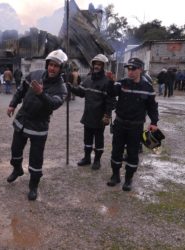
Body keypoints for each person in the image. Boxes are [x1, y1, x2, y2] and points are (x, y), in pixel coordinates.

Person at [6, 49, 68, 201]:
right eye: (50, 64)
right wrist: (13, 104)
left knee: (36, 158)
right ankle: (17, 169)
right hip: (22, 119)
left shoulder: (61, 88)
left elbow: (53, 104)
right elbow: (21, 90)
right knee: (15, 150)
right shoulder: (35, 75)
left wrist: (41, 94)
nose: (52, 68)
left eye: (56, 66)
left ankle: (33, 185)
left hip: (39, 126)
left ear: (61, 69)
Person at [107, 57, 159, 192]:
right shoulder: (121, 83)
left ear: (140, 70)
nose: (130, 72)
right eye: (128, 69)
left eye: (133, 69)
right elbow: (111, 93)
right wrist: (110, 82)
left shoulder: (147, 87)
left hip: (136, 126)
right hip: (120, 123)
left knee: (133, 153)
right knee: (116, 150)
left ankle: (129, 179)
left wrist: (154, 122)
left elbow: (152, 107)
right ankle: (115, 175)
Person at [67, 54, 115, 170]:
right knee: (87, 139)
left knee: (99, 140)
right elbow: (81, 92)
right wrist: (70, 87)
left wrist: (107, 115)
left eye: (99, 64)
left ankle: (97, 160)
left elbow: (110, 101)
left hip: (100, 118)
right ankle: (87, 158)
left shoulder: (107, 82)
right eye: (95, 64)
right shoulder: (88, 80)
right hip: (88, 115)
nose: (97, 66)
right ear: (92, 65)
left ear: (103, 66)